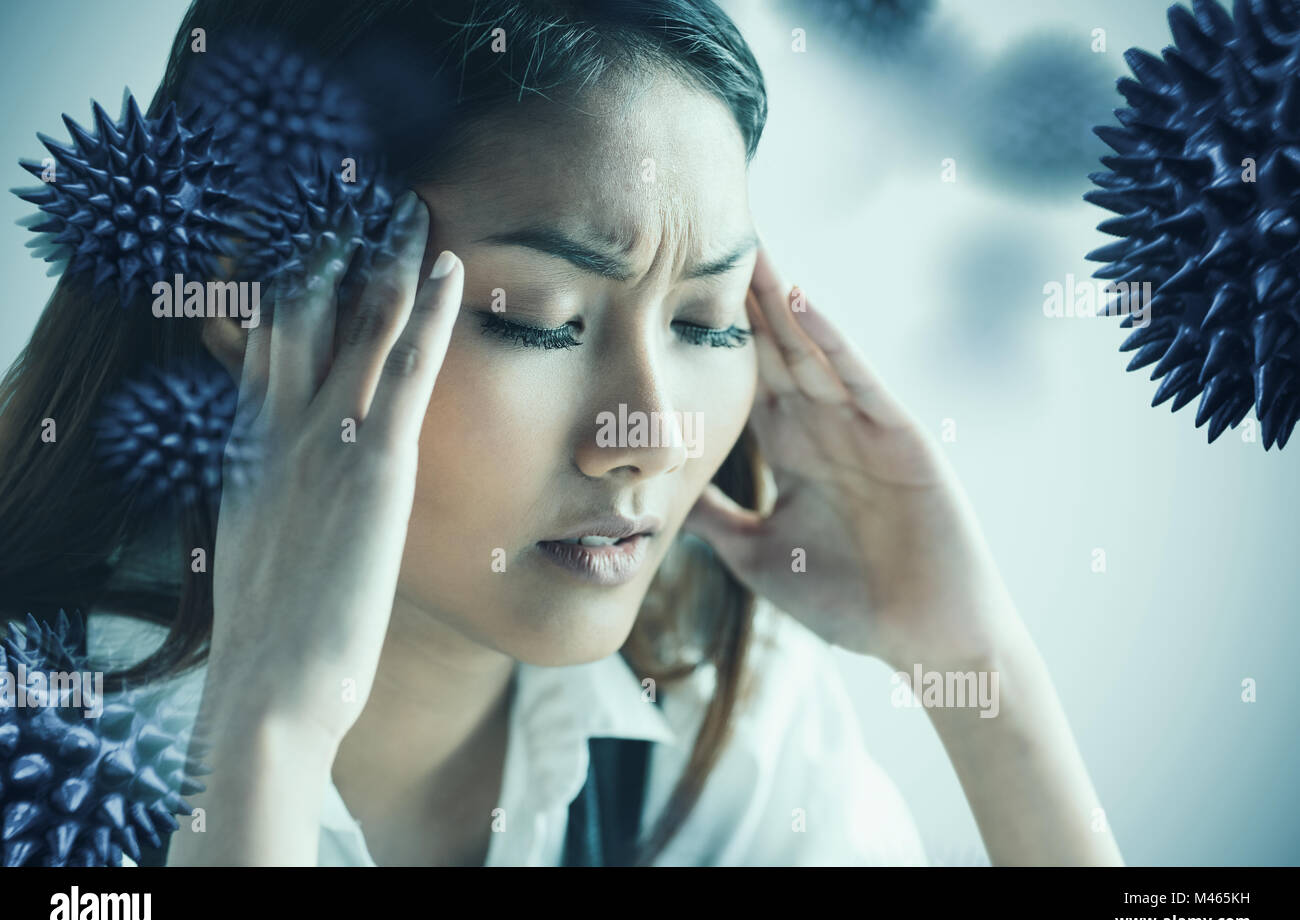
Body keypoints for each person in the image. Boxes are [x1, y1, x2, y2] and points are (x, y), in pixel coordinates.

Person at [0, 0, 1123, 867]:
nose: (648, 432)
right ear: (254, 304)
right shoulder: (42, 738)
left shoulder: (705, 694)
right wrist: (266, 734)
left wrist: (974, 669)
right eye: (537, 321)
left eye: (703, 320)